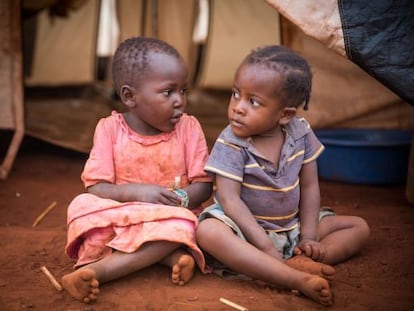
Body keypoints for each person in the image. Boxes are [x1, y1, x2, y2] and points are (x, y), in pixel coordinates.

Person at [196, 45, 370, 306]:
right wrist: (265, 247)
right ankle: (293, 277)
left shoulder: (300, 133)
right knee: (208, 231)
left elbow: (310, 187)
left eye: (253, 101)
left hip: (293, 228)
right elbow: (230, 200)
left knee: (358, 227)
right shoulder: (231, 142)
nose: (237, 108)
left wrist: (309, 237)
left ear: (285, 114)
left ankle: (307, 259)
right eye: (235, 94)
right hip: (246, 233)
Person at [61, 37, 213, 303]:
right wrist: (137, 192)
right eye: (168, 92)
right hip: (124, 213)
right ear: (130, 96)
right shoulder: (109, 129)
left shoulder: (189, 128)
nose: (180, 101)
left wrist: (182, 200)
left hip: (170, 214)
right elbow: (97, 187)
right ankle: (168, 256)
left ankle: (100, 271)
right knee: (80, 205)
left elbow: (203, 184)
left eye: (183, 91)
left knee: (188, 224)